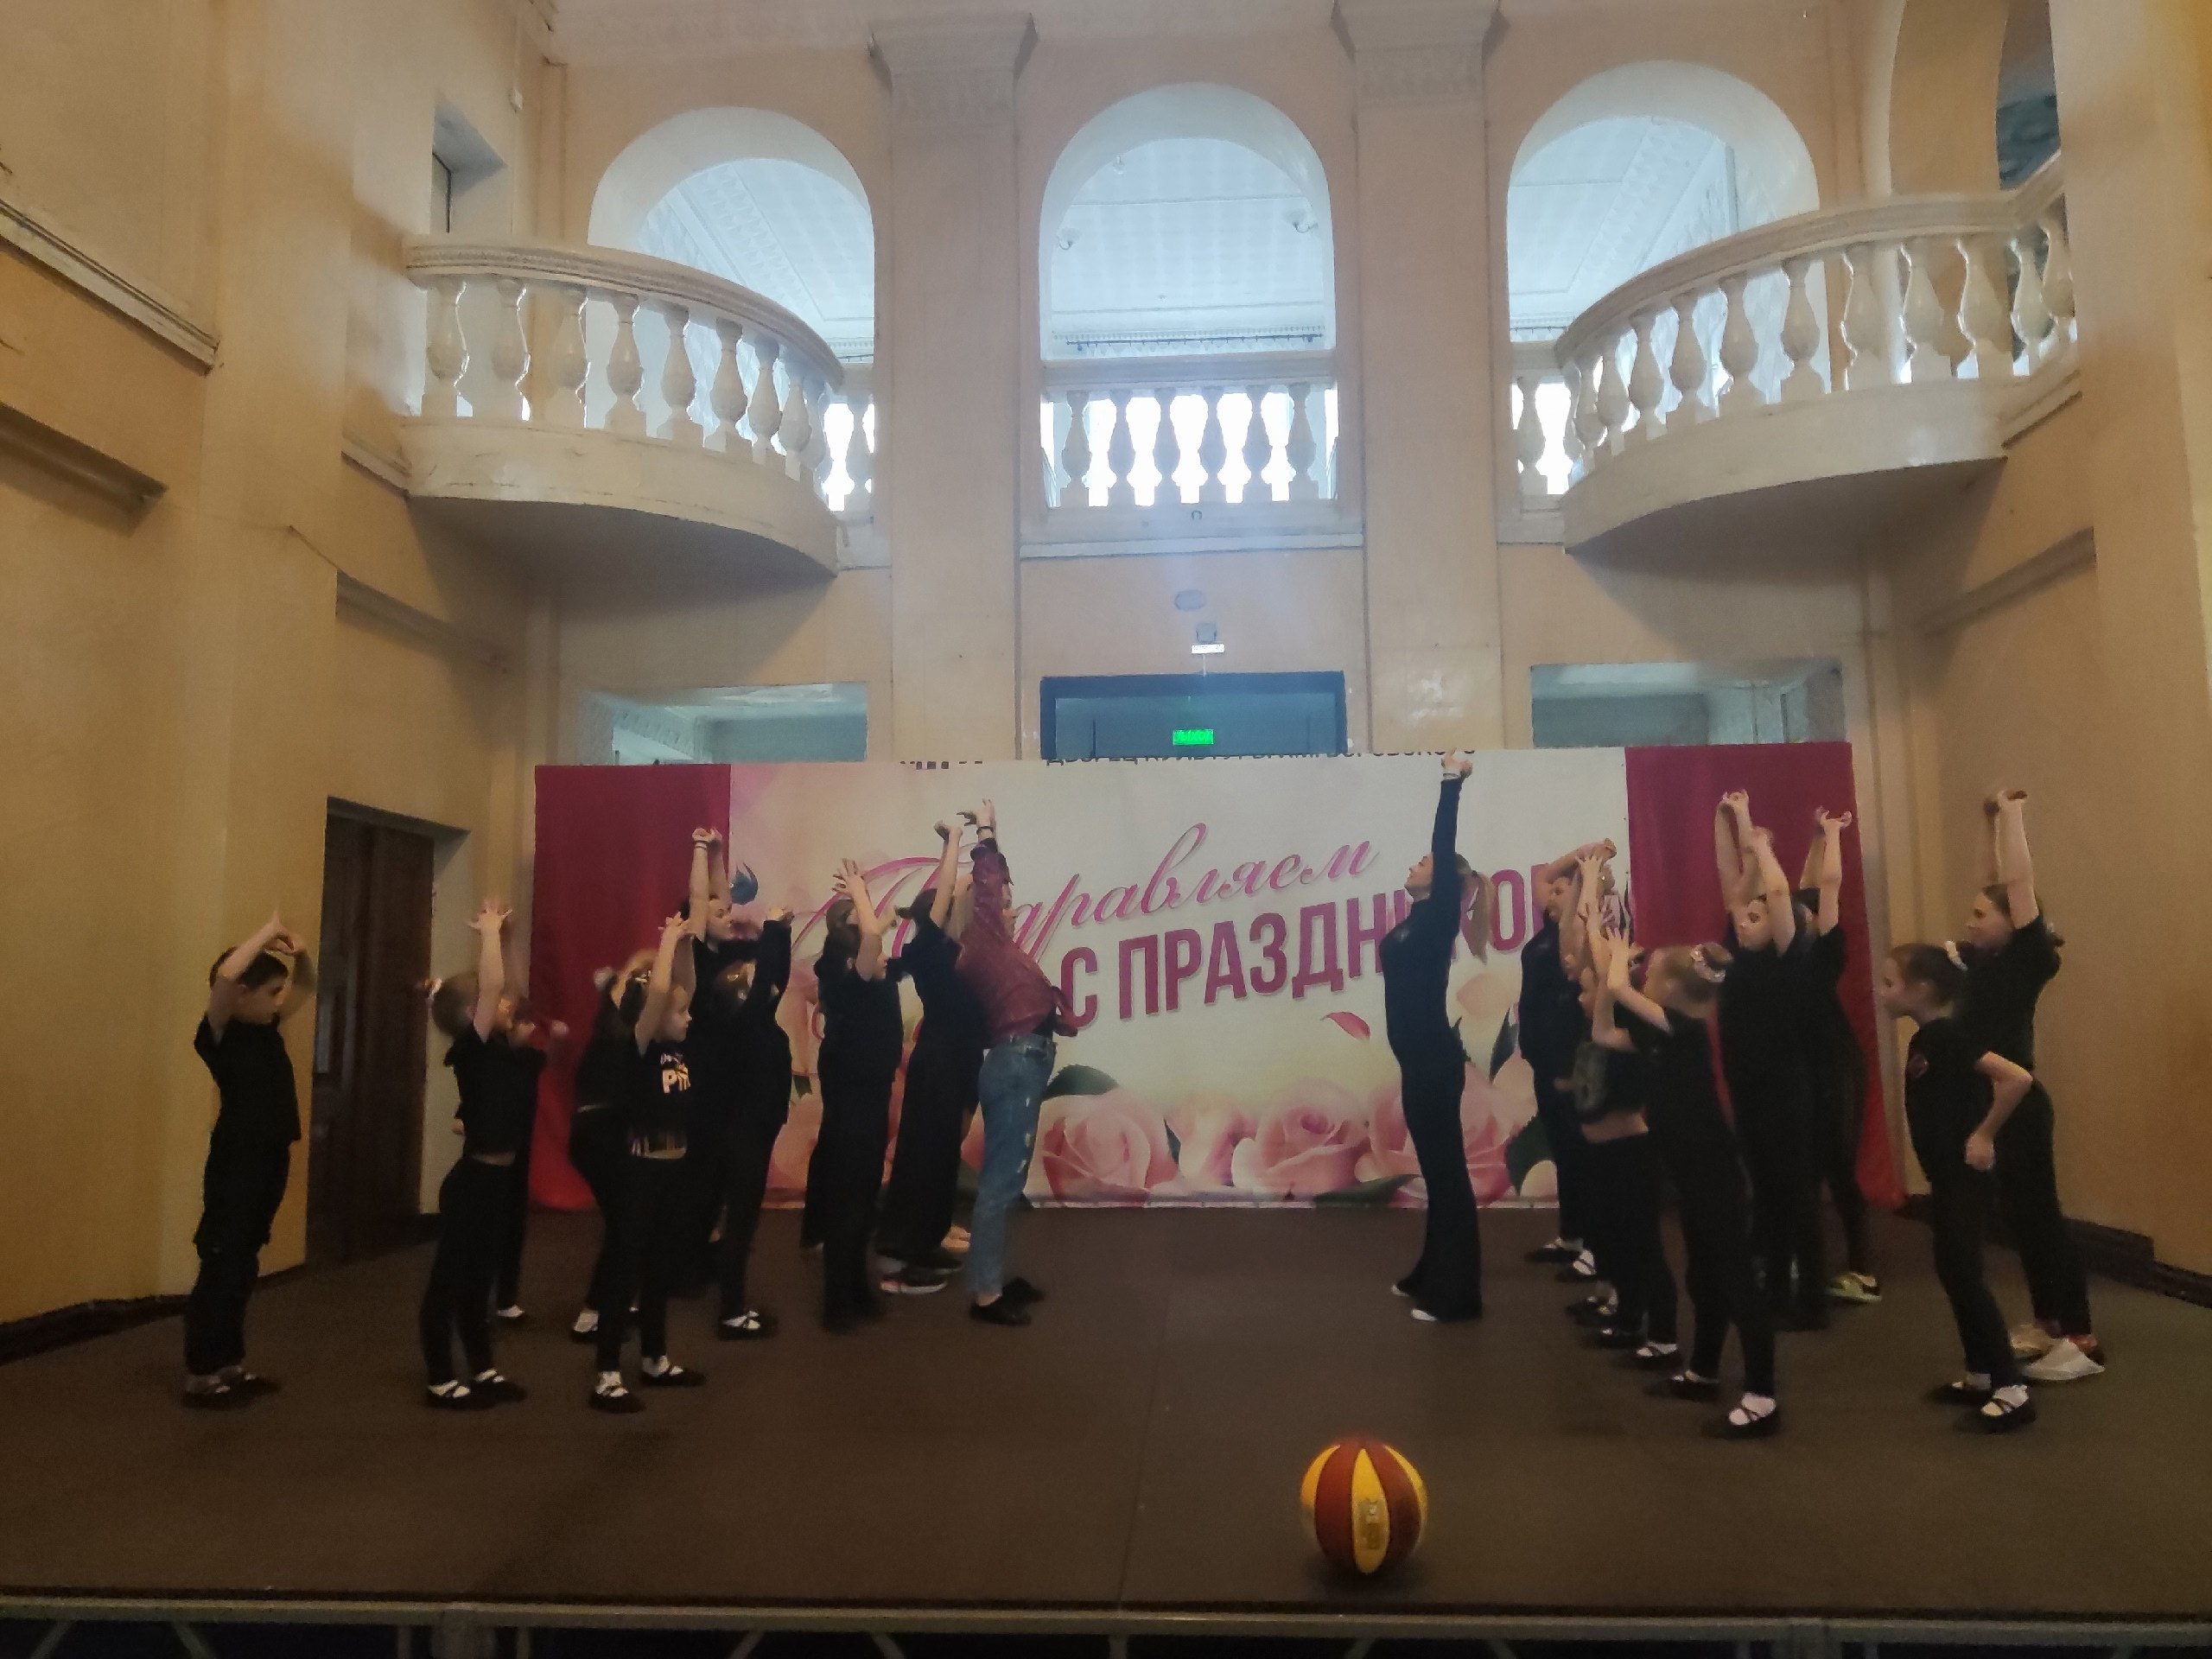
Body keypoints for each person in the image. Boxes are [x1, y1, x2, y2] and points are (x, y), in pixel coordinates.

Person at [1611, 941, 1780, 1439]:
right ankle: (1704, 1372)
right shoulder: (1664, 1031)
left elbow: (1618, 986)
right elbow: (1605, 1021)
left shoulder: (1684, 1028)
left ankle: (1763, 1397)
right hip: (1692, 1175)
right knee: (1703, 1278)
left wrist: (1614, 952)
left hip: (1715, 1176)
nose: (1645, 979)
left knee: (1737, 1283)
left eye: (1652, 974)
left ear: (1670, 987)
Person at [1961, 790, 2101, 1382]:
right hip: (1994, 1099)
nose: (1971, 922)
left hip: (2021, 1104)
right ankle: (2047, 1321)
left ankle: (2082, 1335)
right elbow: (1996, 881)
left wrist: (2013, 812)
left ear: (2013, 922)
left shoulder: (2028, 957)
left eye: (1981, 915)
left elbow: (2016, 883)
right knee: (2020, 1219)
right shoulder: (1984, 961)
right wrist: (1990, 823)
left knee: (2042, 1217)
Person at [1878, 943, 2038, 1433]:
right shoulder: (1925, 1038)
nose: (1882, 992)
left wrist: (1984, 1134)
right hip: (1945, 1177)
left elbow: (2017, 1078)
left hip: (1963, 1179)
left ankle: (2012, 1390)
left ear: (1921, 989)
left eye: (1889, 982)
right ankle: (1980, 1373)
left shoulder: (1949, 1037)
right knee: (1952, 1270)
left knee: (1965, 1275)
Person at [183, 912, 313, 1408]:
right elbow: (225, 977)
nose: (279, 1001)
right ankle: (201, 1373)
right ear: (242, 995)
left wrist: (301, 954)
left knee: (245, 1261)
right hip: (236, 1161)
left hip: (269, 1156)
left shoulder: (266, 1029)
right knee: (222, 1261)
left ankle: (229, 1363)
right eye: (271, 992)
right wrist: (267, 932)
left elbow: (306, 986)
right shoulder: (218, 1034)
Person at [956, 799, 1073, 1327]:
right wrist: (986, 832)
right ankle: (986, 1294)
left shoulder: (998, 949)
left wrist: (1051, 1017)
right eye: (1001, 898)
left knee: (1007, 1178)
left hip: (1023, 1061)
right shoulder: (979, 944)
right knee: (1000, 1182)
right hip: (1016, 1065)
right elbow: (987, 883)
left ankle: (994, 1280)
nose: (1008, 901)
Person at [1713, 792, 1827, 1331]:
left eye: (1756, 918)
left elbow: (1778, 892)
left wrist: (1761, 845)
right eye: (1744, 917)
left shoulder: (1788, 959)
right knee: (1766, 1190)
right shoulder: (1738, 955)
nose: (1744, 922)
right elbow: (1732, 884)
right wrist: (1732, 819)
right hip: (1749, 1089)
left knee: (1795, 1193)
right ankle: (1777, 1286)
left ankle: (1813, 1300)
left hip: (1784, 1090)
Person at [1382, 752, 1488, 1324]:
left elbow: (1443, 844)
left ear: (1445, 880)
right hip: (1418, 1063)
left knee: (1447, 1176)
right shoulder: (1416, 919)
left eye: (1424, 862)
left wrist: (1452, 782)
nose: (1416, 863)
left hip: (1432, 1063)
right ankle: (1431, 1271)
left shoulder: (1441, 912)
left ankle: (1459, 1295)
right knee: (1437, 1173)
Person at [419, 899, 538, 1410]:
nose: (508, 1005)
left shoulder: (506, 1048)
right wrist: (488, 932)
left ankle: (483, 1368)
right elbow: (493, 989)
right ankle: (440, 1377)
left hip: (498, 1184)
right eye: (494, 1005)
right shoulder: (473, 1049)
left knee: (480, 1281)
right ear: (474, 1017)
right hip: (473, 1184)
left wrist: (505, 940)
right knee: (449, 1282)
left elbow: (512, 992)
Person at [590, 914, 709, 1412]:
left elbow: (685, 988)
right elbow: (660, 994)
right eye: (679, 1014)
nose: (688, 1018)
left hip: (674, 1172)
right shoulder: (637, 1048)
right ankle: (606, 1374)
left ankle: (655, 1359)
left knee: (661, 1268)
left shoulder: (678, 1048)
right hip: (639, 1173)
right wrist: (665, 943)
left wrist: (685, 946)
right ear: (654, 1018)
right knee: (627, 1270)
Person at [877, 821, 988, 1293]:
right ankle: (905, 1257)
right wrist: (953, 843)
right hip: (938, 1065)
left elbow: (981, 896)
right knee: (923, 1161)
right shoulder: (925, 948)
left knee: (943, 1162)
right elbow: (945, 896)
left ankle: (928, 1239)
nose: (967, 896)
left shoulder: (961, 949)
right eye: (959, 894)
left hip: (958, 1062)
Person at [1577, 893, 1679, 1369]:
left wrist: (1613, 961)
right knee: (1617, 1240)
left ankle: (1664, 1336)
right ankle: (1628, 1316)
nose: (1587, 995)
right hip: (1606, 1154)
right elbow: (1605, 982)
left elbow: (1611, 983)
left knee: (1644, 1247)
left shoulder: (1647, 1029)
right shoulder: (1614, 1026)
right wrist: (1595, 926)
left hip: (1632, 1154)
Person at [812, 861, 905, 1332]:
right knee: (848, 1209)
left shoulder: (862, 986)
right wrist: (859, 893)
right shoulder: (853, 989)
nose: (884, 957)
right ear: (853, 964)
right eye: (875, 954)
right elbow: (870, 938)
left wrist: (865, 897)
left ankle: (856, 1290)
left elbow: (874, 932)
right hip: (853, 1116)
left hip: (867, 1110)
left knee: (862, 1206)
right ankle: (837, 1302)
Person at [1797, 808, 1878, 1306]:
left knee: (1837, 1166)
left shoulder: (1825, 952)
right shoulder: (1787, 953)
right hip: (1805, 1069)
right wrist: (1814, 839)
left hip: (1835, 1067)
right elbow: (1808, 889)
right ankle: (1806, 1259)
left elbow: (1826, 889)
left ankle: (1862, 1268)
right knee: (1803, 1168)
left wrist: (1832, 837)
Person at [1522, 842, 1611, 1284]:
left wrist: (1586, 876)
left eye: (1565, 890)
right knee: (1564, 1153)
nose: (1553, 894)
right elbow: (1543, 875)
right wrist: (1585, 853)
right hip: (1544, 1060)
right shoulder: (1548, 930)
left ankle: (1597, 1245)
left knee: (1584, 1155)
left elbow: (1577, 907)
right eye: (1554, 891)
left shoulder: (1579, 942)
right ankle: (1572, 1235)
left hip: (1568, 1061)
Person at [707, 906, 795, 1340]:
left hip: (753, 1131)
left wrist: (783, 932)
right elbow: (765, 984)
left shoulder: (754, 1021)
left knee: (743, 1222)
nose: (762, 978)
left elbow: (775, 977)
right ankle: (731, 1312)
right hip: (744, 1135)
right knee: (741, 1224)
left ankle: (731, 1303)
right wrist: (773, 929)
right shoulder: (745, 1026)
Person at [568, 952, 649, 1345]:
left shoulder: (618, 1032)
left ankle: (615, 1301)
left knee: (626, 1224)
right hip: (599, 1135)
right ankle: (593, 1313)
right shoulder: (619, 1033)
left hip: (601, 1133)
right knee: (624, 1225)